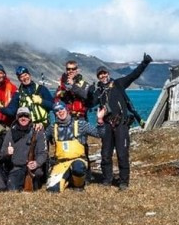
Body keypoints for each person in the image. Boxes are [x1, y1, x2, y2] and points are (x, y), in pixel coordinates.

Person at [92, 53, 152, 190]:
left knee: (122, 153)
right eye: (100, 74)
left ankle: (123, 182)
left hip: (121, 125)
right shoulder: (99, 91)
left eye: (104, 73)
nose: (102, 76)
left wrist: (145, 63)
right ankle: (107, 179)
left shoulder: (119, 84)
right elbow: (90, 102)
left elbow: (133, 75)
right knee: (105, 154)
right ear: (98, 77)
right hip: (107, 125)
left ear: (107, 73)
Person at [45, 102, 103, 193]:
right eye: (56, 110)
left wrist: (100, 120)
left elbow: (99, 134)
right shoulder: (52, 128)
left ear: (66, 109)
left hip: (78, 160)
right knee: (52, 190)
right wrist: (38, 127)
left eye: (61, 108)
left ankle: (79, 185)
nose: (60, 111)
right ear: (54, 113)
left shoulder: (80, 124)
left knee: (78, 168)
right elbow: (42, 139)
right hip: (61, 163)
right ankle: (68, 179)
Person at [0, 107, 48, 191]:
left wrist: (37, 163)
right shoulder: (10, 132)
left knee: (38, 173)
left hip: (33, 168)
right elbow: (2, 154)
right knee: (12, 189)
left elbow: (43, 153)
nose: (23, 118)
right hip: (16, 167)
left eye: (26, 116)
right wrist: (7, 152)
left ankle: (36, 182)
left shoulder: (37, 131)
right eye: (20, 116)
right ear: (17, 118)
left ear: (30, 118)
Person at [1, 66, 55, 130]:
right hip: (28, 128)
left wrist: (41, 101)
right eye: (21, 77)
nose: (25, 78)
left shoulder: (42, 89)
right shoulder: (18, 94)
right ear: (19, 79)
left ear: (29, 75)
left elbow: (53, 106)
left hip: (44, 125)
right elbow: (12, 112)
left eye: (26, 75)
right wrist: (0, 107)